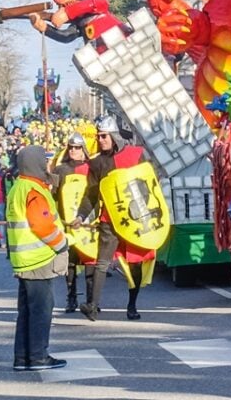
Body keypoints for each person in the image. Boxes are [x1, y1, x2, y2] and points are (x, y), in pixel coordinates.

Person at [73, 117, 158, 321]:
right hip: (108, 220)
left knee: (135, 264)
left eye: (104, 136)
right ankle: (92, 306)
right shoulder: (96, 162)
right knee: (101, 263)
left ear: (114, 136)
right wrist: (80, 215)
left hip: (134, 218)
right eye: (98, 136)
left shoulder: (135, 155)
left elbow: (147, 183)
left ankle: (132, 305)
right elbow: (91, 194)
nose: (100, 139)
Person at [6, 145, 68, 371]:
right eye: (46, 161)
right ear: (37, 164)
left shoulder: (19, 187)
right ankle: (39, 356)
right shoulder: (34, 190)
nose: (48, 165)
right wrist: (62, 244)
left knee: (27, 312)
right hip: (38, 259)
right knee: (41, 311)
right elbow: (42, 225)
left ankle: (23, 358)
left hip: (24, 258)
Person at [50, 133, 91, 314]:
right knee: (71, 262)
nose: (73, 151)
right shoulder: (61, 170)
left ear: (83, 149)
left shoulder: (91, 168)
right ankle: (71, 297)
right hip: (67, 221)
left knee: (91, 260)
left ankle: (91, 299)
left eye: (77, 147)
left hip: (88, 222)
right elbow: (54, 196)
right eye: (71, 147)